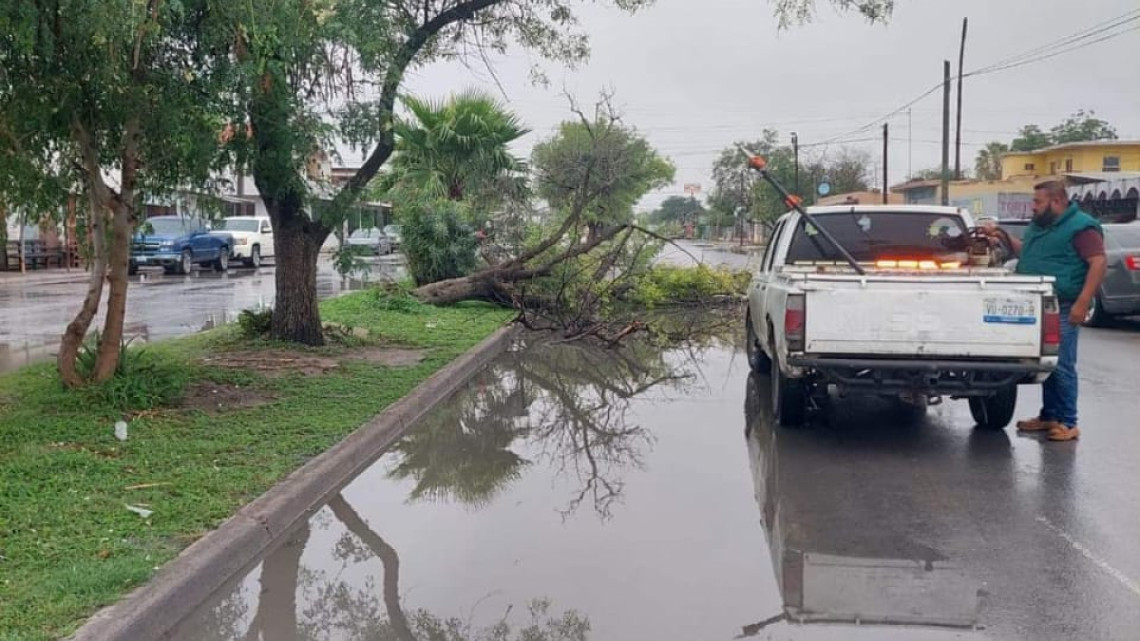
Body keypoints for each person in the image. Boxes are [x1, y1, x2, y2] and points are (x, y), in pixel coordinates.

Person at [991, 181, 1106, 441]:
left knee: (1062, 363)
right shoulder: (1041, 226)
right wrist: (1005, 237)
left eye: (1037, 202)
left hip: (1063, 304)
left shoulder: (1081, 227)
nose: (1033, 207)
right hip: (1034, 302)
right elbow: (1028, 253)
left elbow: (1098, 262)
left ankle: (1068, 421)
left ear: (1056, 202)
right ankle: (1049, 416)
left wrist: (1082, 301)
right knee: (1046, 362)